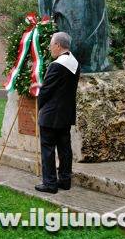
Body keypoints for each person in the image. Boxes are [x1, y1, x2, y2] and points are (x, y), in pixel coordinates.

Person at [34, 32, 80, 194]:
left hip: (51, 114)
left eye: (51, 44)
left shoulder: (57, 65)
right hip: (65, 114)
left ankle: (50, 183)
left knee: (47, 149)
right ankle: (65, 181)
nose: (50, 47)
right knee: (64, 148)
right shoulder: (74, 62)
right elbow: (61, 88)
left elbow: (46, 91)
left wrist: (39, 106)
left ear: (58, 46)